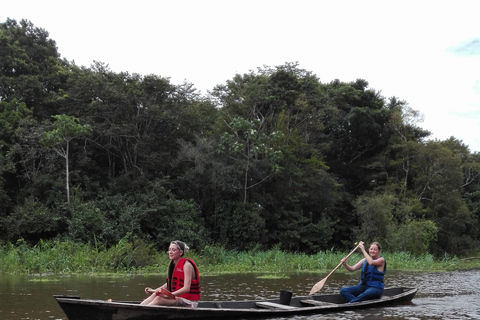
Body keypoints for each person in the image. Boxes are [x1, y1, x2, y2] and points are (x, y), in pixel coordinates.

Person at [141, 240, 201, 307]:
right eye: (169, 250)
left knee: (159, 299)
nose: (170, 252)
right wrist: (155, 290)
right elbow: (170, 283)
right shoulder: (173, 265)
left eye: (173, 250)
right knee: (156, 295)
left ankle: (141, 312)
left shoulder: (187, 265)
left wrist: (170, 295)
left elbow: (186, 288)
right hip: (177, 297)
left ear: (181, 252)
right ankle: (139, 308)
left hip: (190, 301)